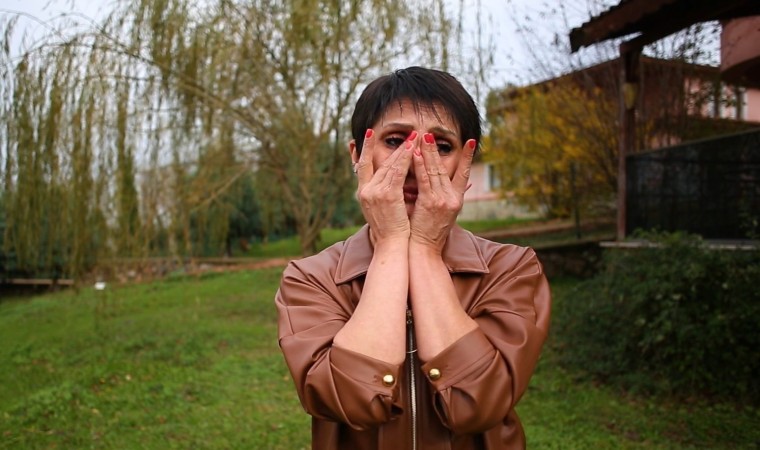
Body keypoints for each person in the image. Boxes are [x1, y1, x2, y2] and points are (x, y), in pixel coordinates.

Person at [275, 66, 551, 449]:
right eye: (395, 141)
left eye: (441, 146)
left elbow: (480, 404)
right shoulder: (311, 279)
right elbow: (349, 400)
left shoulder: (510, 269)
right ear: (357, 155)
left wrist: (424, 249)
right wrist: (391, 244)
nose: (415, 163)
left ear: (465, 164)